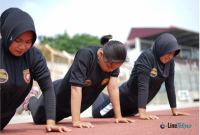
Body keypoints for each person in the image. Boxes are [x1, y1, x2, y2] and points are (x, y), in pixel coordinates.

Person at [20, 35, 134, 128]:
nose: (111, 70)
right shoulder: (85, 55)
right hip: (57, 98)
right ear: (100, 54)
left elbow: (113, 88)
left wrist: (118, 116)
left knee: (56, 121)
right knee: (38, 120)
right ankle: (29, 100)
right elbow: (75, 88)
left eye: (114, 68)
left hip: (72, 105)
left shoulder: (114, 61)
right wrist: (76, 121)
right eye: (109, 66)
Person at [0, 8, 70, 132]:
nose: (23, 47)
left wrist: (51, 122)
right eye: (17, 40)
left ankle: (26, 100)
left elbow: (48, 88)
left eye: (28, 42)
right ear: (7, 34)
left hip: (4, 118)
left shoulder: (34, 56)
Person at [92, 33, 190, 120]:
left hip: (135, 106)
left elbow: (170, 86)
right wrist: (143, 113)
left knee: (126, 117)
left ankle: (104, 97)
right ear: (162, 47)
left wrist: (174, 110)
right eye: (168, 52)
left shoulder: (170, 62)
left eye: (173, 54)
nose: (170, 56)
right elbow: (143, 85)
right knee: (97, 114)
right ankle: (97, 94)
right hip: (123, 99)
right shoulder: (147, 56)